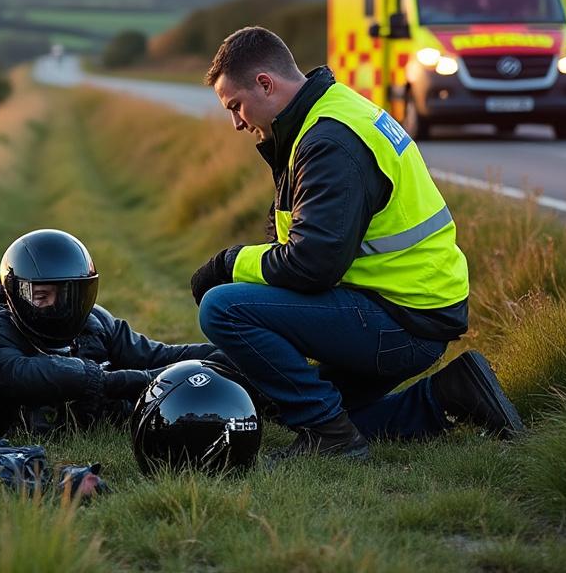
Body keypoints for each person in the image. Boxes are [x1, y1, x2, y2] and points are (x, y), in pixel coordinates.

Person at [189, 26, 525, 462]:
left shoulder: (329, 142)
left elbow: (311, 265)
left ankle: (331, 438)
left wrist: (228, 263)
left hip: (403, 322)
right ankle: (449, 396)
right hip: (408, 309)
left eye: (235, 106)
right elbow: (304, 244)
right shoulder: (328, 114)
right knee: (302, 405)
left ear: (266, 84)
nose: (236, 122)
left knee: (223, 307)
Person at [0, 228, 224, 434]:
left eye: (66, 295)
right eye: (42, 296)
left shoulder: (95, 321)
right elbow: (14, 372)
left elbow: (155, 355)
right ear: (17, 293)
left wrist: (221, 357)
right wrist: (120, 380)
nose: (56, 306)